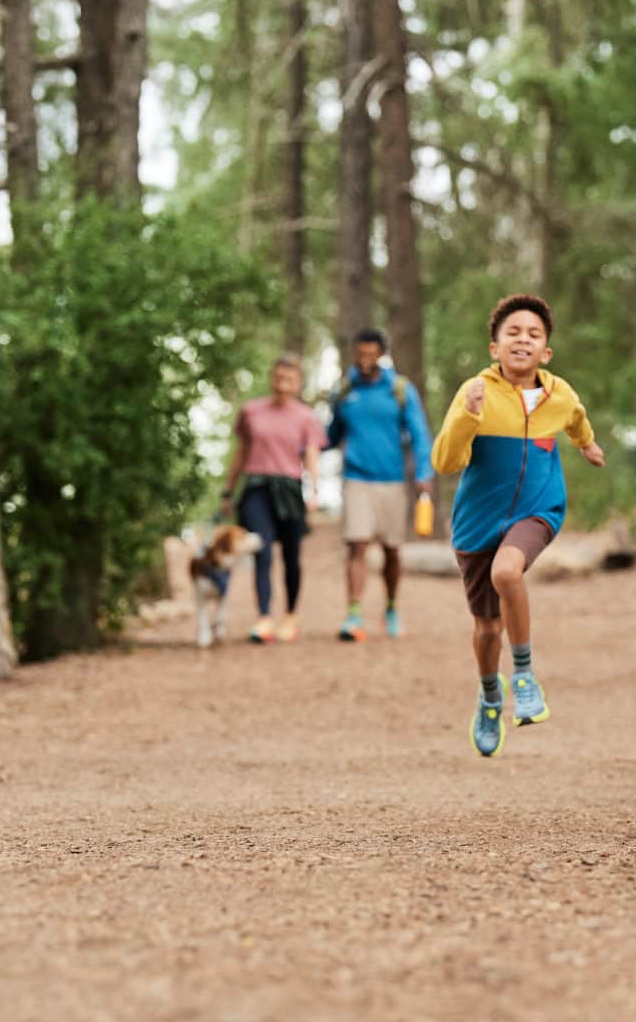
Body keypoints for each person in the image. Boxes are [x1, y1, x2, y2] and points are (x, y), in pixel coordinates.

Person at [431, 294, 605, 757]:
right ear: (495, 347)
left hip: (538, 508)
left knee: (507, 572)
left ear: (545, 351)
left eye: (533, 334)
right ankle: (491, 695)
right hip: (477, 522)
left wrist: (587, 445)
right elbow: (445, 461)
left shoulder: (559, 393)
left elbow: (576, 419)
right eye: (513, 333)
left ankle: (525, 677)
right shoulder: (476, 392)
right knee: (487, 629)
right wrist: (468, 415)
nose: (522, 340)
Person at [327, 328, 434, 641]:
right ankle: (353, 615)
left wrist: (424, 473)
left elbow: (419, 435)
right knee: (356, 544)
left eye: (371, 354)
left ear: (382, 354)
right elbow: (332, 436)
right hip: (355, 477)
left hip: (391, 479)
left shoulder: (400, 390)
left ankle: (390, 607)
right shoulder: (345, 390)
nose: (364, 360)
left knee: (391, 550)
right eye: (360, 354)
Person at [221, 354, 327, 644]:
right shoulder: (251, 412)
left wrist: (314, 491)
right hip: (256, 488)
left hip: (290, 489)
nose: (282, 385)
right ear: (272, 378)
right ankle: (264, 617)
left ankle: (290, 616)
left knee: (291, 556)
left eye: (289, 380)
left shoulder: (306, 417)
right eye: (278, 378)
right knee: (262, 551)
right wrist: (228, 491)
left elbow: (312, 455)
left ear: (298, 383)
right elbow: (241, 453)